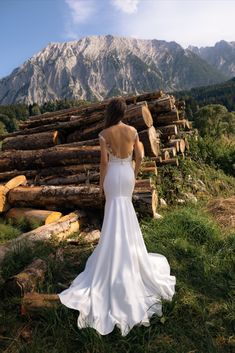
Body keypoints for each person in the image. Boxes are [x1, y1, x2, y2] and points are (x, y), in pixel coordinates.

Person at [57, 97, 176, 337]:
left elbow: (103, 162)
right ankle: (129, 254)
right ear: (124, 113)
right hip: (127, 175)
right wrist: (133, 170)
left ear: (110, 112)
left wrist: (101, 184)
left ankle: (112, 254)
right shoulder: (132, 130)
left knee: (113, 213)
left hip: (112, 175)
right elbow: (140, 155)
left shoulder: (104, 134)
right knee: (126, 212)